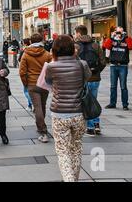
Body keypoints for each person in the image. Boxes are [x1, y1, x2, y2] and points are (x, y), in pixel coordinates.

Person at [45, 35, 92, 182]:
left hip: (59, 113)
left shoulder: (51, 66)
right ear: (73, 49)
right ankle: (74, 178)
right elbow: (88, 77)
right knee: (76, 147)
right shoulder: (81, 64)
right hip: (79, 113)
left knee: (63, 151)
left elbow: (48, 82)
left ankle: (69, 179)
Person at [19, 33, 52, 143]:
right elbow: (51, 69)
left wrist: (25, 83)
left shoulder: (26, 54)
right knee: (42, 106)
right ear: (41, 40)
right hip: (44, 83)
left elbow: (22, 72)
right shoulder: (47, 54)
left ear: (31, 41)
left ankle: (42, 131)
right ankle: (41, 126)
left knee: (37, 107)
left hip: (32, 84)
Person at [74, 25, 107, 136]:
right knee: (93, 100)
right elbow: (103, 62)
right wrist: (96, 72)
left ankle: (90, 127)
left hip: (81, 78)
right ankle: (96, 124)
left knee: (85, 102)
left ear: (78, 33)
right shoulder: (96, 45)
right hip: (95, 78)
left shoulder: (76, 46)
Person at [103, 27, 132, 110]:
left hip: (123, 66)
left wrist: (126, 37)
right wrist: (111, 37)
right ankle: (112, 103)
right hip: (113, 66)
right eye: (117, 32)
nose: (119, 33)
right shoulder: (112, 40)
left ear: (123, 32)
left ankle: (125, 105)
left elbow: (131, 46)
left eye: (120, 32)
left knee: (123, 86)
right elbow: (105, 46)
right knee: (113, 86)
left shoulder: (127, 39)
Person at [18, 39, 33, 112]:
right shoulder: (37, 50)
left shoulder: (25, 51)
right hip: (36, 74)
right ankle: (30, 105)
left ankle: (32, 104)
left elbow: (19, 59)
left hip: (27, 73)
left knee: (26, 91)